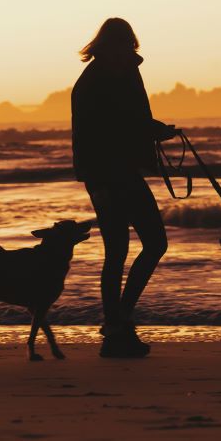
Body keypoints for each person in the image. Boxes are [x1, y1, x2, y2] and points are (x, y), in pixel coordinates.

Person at [71, 18, 177, 358]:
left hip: (116, 172)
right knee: (140, 246)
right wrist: (151, 130)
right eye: (124, 47)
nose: (128, 53)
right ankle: (118, 325)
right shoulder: (101, 78)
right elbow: (109, 127)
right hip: (110, 174)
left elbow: (127, 119)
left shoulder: (113, 73)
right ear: (113, 46)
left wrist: (153, 128)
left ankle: (118, 323)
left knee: (129, 249)